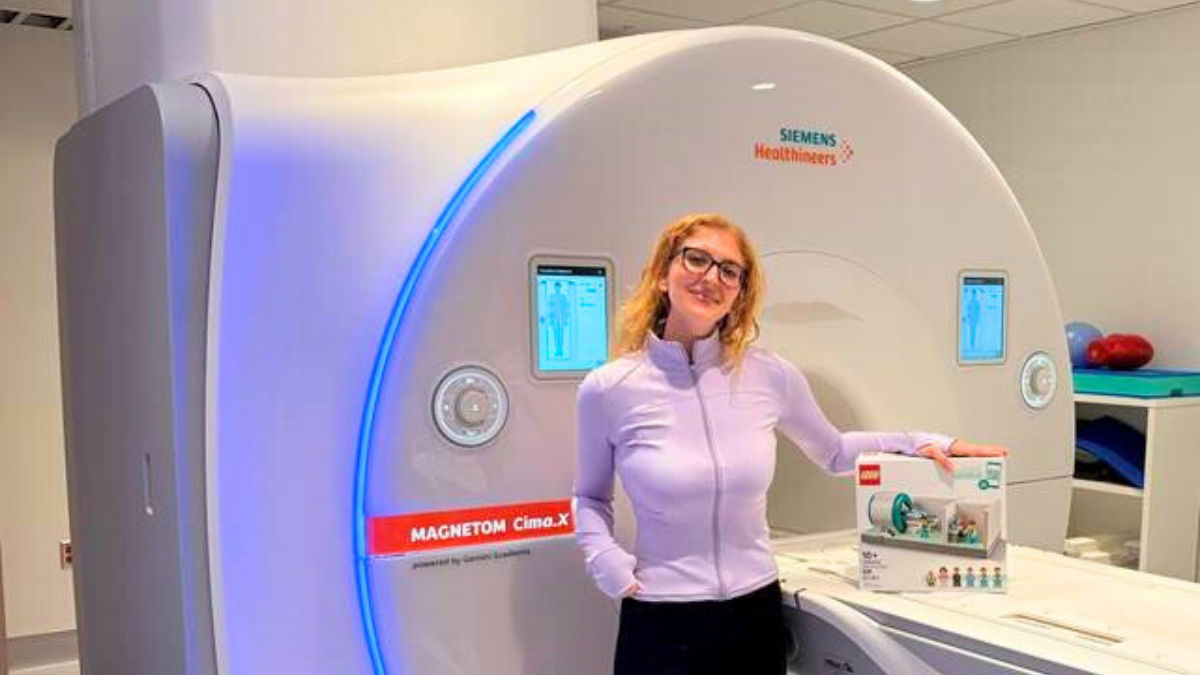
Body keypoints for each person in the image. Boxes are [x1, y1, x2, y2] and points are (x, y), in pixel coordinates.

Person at [572, 213, 1007, 675]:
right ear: (663, 273)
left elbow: (835, 450)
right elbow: (589, 497)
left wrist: (925, 443)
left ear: (740, 291)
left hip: (752, 614)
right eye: (696, 259)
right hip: (662, 615)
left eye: (728, 270)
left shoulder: (768, 375)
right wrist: (606, 560)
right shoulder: (610, 388)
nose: (710, 277)